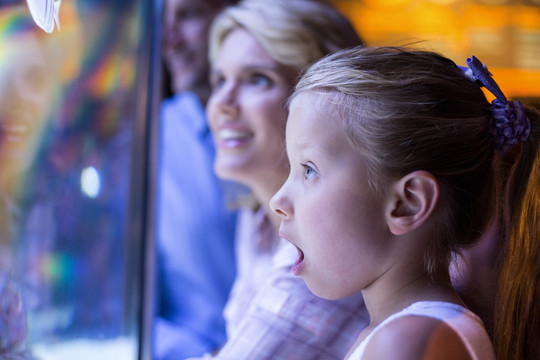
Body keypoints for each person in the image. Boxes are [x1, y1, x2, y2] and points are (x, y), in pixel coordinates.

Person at [268, 46, 537, 359]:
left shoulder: (408, 342)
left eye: (309, 170)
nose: (278, 201)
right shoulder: (401, 332)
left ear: (408, 203)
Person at [196, 0, 369, 358]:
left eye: (257, 79)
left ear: (323, 99)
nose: (222, 104)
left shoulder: (326, 242)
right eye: (219, 80)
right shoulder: (258, 221)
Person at [155, 0, 239, 358]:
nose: (168, 38)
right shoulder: (146, 144)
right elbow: (113, 300)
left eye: (188, 15)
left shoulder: (292, 134)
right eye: (161, 20)